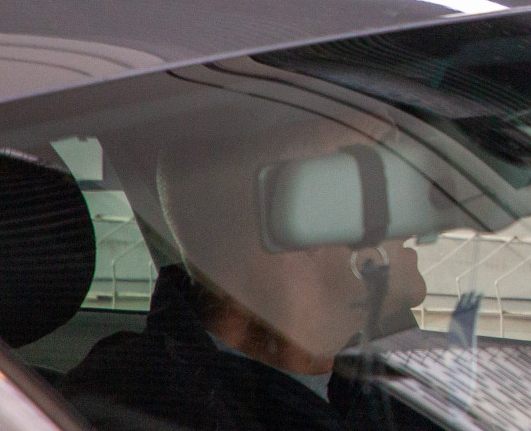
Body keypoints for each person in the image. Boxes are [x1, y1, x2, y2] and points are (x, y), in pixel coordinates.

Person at [64, 120, 430, 431]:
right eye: (378, 176)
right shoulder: (134, 413)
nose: (409, 202)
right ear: (297, 222)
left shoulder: (405, 381)